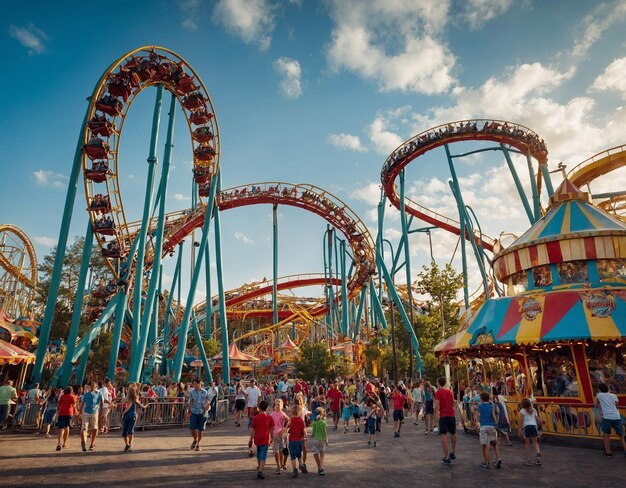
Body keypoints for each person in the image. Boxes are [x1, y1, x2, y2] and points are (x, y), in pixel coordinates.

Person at [595, 383, 626, 457]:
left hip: (607, 417)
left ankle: (609, 452)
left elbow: (595, 403)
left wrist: (602, 406)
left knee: (606, 435)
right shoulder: (613, 395)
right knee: (621, 436)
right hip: (616, 416)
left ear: (599, 389)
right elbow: (616, 406)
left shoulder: (599, 395)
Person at [475, 392, 502, 469]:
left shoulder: (480, 406)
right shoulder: (491, 407)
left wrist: (477, 423)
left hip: (483, 427)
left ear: (482, 399)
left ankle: (486, 462)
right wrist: (495, 423)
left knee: (485, 445)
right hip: (491, 426)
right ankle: (498, 458)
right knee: (494, 443)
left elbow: (477, 416)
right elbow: (494, 417)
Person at [249, 399, 274, 479]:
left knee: (259, 453)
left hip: (257, 438)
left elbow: (252, 429)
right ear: (266, 408)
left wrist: (250, 439)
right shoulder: (269, 417)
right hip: (265, 438)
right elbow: (271, 429)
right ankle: (260, 470)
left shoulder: (255, 418)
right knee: (263, 454)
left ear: (259, 408)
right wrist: (272, 438)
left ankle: (259, 466)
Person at [434, 377, 457, 465]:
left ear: (439, 383)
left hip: (443, 415)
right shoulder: (449, 392)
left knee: (443, 435)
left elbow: (437, 405)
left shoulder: (438, 393)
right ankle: (453, 452)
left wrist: (436, 415)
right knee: (453, 433)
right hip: (451, 415)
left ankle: (447, 457)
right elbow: (454, 402)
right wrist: (453, 409)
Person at [79, 381, 103, 452]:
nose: (92, 387)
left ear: (96, 387)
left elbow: (102, 402)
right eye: (91, 386)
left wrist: (100, 412)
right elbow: (82, 404)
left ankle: (92, 443)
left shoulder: (99, 393)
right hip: (86, 412)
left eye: (93, 386)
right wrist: (80, 413)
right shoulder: (86, 394)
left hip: (94, 412)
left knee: (94, 428)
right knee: (84, 428)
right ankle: (83, 442)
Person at [188, 379, 211, 451]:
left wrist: (207, 409)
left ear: (199, 384)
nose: (193, 385)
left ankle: (198, 443)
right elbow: (191, 401)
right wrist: (188, 410)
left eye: (195, 384)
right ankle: (195, 439)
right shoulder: (192, 392)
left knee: (201, 429)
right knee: (192, 428)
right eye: (193, 384)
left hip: (202, 412)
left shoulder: (205, 392)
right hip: (194, 412)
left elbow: (208, 402)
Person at [518, 398, 542, 466]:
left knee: (527, 444)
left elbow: (520, 420)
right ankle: (538, 457)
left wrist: (519, 428)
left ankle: (529, 460)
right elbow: (538, 420)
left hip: (527, 427)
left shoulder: (522, 411)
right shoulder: (533, 410)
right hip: (534, 426)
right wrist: (540, 424)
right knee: (535, 443)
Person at [122, 386, 144, 452]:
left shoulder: (132, 399)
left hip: (129, 416)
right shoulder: (133, 399)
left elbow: (128, 407)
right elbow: (140, 405)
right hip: (131, 416)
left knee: (127, 431)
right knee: (129, 431)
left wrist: (123, 413)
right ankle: (128, 445)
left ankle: (128, 444)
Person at [270, 399, 290, 474]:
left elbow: (289, 420)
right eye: (276, 404)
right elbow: (270, 425)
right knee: (276, 451)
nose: (277, 406)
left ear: (281, 406)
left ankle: (281, 465)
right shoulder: (272, 414)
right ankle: (278, 465)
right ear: (274, 406)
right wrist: (270, 435)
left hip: (281, 434)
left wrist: (285, 428)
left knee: (281, 450)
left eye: (279, 405)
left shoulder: (282, 413)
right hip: (275, 435)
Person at [288, 404, 307, 478]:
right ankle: (301, 464)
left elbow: (287, 427)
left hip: (292, 440)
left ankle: (294, 469)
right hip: (299, 440)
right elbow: (304, 430)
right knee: (299, 454)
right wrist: (305, 436)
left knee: (293, 456)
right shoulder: (301, 420)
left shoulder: (291, 420)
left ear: (292, 413)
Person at [56, 386, 76, 451]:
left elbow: (59, 404)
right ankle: (64, 443)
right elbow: (74, 405)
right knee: (67, 427)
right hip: (69, 412)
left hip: (61, 412)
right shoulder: (73, 396)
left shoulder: (62, 396)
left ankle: (59, 442)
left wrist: (57, 411)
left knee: (61, 428)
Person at [311, 407, 328, 475]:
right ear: (322, 414)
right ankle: (321, 467)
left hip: (316, 439)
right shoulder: (324, 422)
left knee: (316, 453)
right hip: (322, 439)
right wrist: (326, 439)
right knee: (322, 452)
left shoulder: (314, 423)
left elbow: (312, 433)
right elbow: (325, 431)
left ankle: (319, 467)